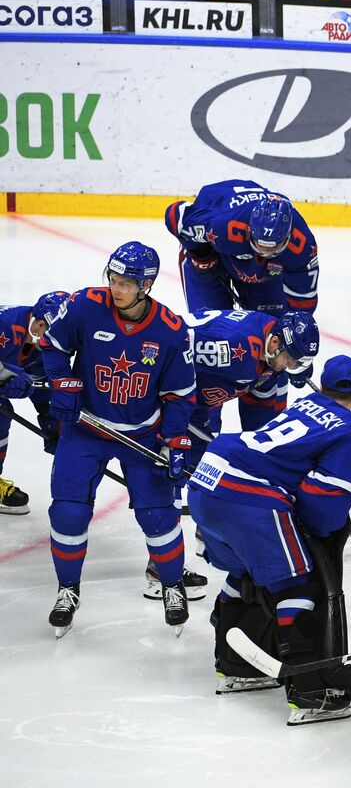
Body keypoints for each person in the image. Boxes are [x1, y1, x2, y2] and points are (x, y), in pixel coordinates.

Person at [187, 355, 351, 720]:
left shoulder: (306, 403)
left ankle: (236, 666)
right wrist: (321, 538)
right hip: (249, 495)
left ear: (321, 385)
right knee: (299, 586)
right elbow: (325, 498)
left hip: (210, 474)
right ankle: (311, 689)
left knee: (249, 572)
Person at [37, 243, 197, 637]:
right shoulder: (85, 305)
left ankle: (171, 585)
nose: (116, 288)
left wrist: (175, 440)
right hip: (86, 431)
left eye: (126, 282)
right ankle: (67, 590)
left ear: (146, 285)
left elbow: (181, 393)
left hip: (142, 433)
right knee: (68, 511)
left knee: (158, 515)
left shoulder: (171, 330)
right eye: (112, 278)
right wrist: (62, 381)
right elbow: (52, 345)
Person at [165, 179, 320, 318]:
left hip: (254, 264)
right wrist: (202, 255)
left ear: (288, 236)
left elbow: (303, 301)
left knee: (273, 326)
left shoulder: (303, 245)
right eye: (260, 245)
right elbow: (175, 217)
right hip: (218, 248)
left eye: (273, 248)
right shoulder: (223, 227)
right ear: (249, 230)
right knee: (212, 329)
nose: (265, 252)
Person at [184, 309, 321, 463]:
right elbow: (172, 344)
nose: (290, 366)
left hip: (194, 401)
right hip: (172, 394)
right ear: (275, 342)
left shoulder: (271, 342)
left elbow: (258, 420)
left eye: (297, 363)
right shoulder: (233, 346)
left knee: (198, 460)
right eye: (290, 359)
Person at [0, 290, 67, 512]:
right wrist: (5, 375)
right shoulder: (5, 326)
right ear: (38, 325)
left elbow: (40, 382)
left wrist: (48, 416)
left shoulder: (43, 346)